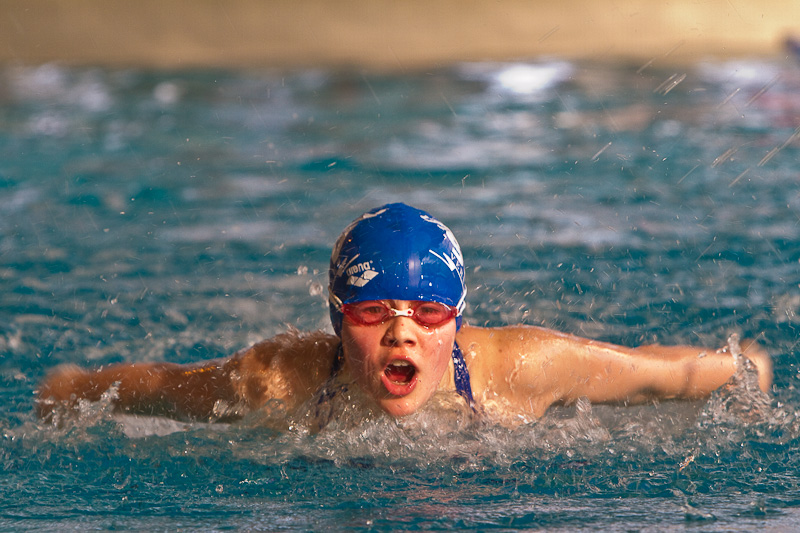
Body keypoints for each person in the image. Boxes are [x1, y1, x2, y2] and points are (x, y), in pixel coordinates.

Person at [36, 203, 773, 426]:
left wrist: (742, 371)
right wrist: (68, 390)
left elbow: (653, 373)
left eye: (427, 311)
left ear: (456, 319)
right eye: (372, 312)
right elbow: (161, 385)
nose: (403, 332)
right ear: (337, 321)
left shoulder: (517, 370)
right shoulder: (278, 381)